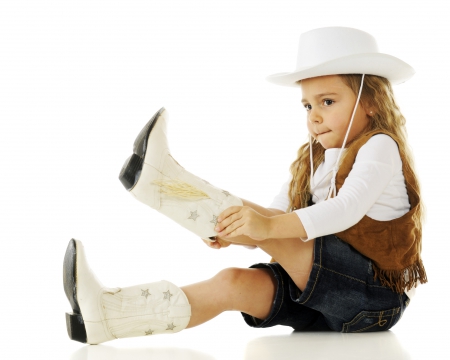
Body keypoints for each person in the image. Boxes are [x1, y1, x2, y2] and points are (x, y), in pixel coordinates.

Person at [63, 27, 427, 344]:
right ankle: (106, 317)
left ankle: (165, 184)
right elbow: (276, 214)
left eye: (328, 102)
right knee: (230, 283)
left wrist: (263, 229)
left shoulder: (379, 146)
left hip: (373, 301)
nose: (314, 116)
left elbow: (343, 209)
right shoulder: (313, 157)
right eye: (306, 106)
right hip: (324, 301)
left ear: (371, 103)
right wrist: (234, 230)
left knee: (273, 228)